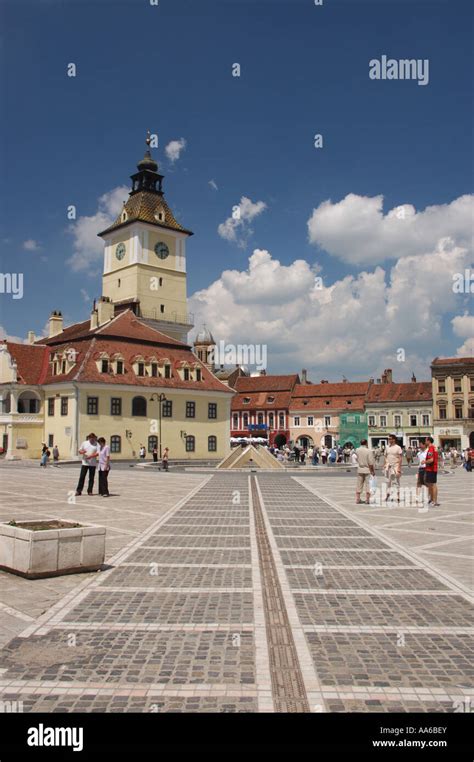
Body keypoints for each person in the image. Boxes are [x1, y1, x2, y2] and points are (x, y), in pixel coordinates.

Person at [355, 439, 375, 504]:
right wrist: (372, 471)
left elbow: (356, 458)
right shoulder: (369, 451)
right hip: (367, 470)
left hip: (360, 469)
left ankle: (358, 499)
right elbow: (370, 463)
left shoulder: (357, 450)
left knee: (359, 484)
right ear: (366, 443)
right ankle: (367, 500)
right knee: (368, 485)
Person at [384, 434, 403, 502]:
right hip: (388, 467)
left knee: (396, 482)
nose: (389, 440)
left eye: (390, 439)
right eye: (388, 439)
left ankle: (398, 497)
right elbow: (385, 456)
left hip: (395, 466)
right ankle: (388, 495)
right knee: (388, 482)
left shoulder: (398, 447)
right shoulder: (387, 447)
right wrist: (385, 464)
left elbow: (400, 458)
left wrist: (399, 468)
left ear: (394, 439)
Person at [424, 436, 440, 506]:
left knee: (433, 485)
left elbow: (431, 460)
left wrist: (424, 462)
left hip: (431, 469)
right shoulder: (434, 448)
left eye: (425, 440)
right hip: (431, 469)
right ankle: (432, 499)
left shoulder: (431, 448)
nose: (425, 442)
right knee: (430, 484)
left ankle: (434, 501)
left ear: (428, 441)